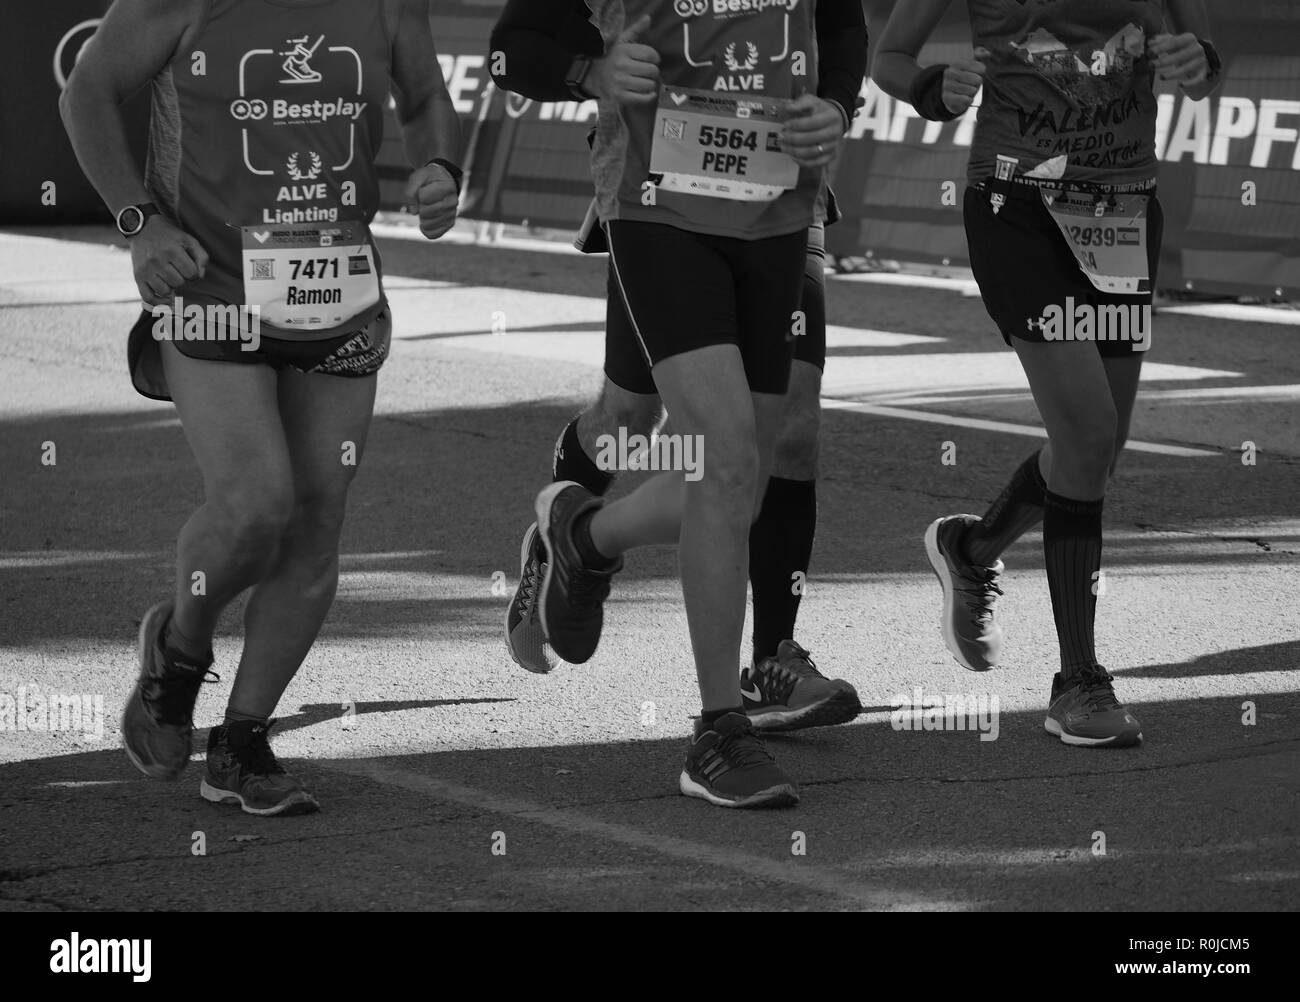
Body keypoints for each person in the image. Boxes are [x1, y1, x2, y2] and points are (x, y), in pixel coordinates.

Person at [60, 0, 462, 814]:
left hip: (338, 292)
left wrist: (440, 169)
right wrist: (140, 223)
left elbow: (424, 94)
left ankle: (242, 741)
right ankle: (179, 649)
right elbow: (87, 91)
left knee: (316, 519)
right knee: (255, 505)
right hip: (209, 288)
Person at [490, 0, 868, 808]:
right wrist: (589, 71)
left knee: (741, 481)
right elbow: (512, 46)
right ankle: (719, 731)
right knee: (694, 447)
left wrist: (838, 103)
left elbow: (842, 23)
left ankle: (585, 536)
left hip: (779, 205)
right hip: (659, 202)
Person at [874, 0, 1220, 747]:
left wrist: (1199, 62)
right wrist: (934, 87)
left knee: (1096, 450)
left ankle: (971, 550)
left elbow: (1199, 56)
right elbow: (888, 58)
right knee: (1088, 435)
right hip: (1017, 211)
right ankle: (1079, 682)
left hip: (1123, 214)